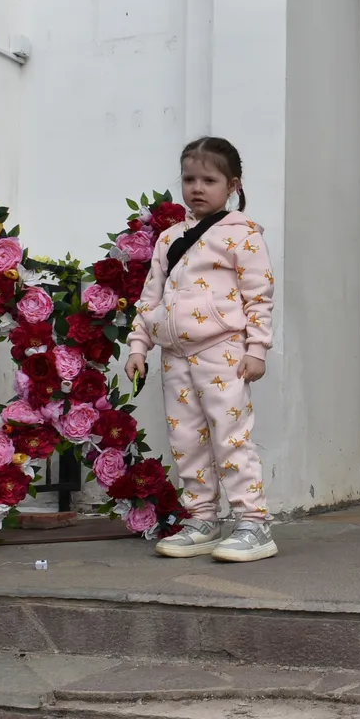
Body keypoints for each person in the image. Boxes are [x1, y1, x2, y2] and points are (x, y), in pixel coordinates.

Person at [125, 137, 278, 562]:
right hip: (174, 355)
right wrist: (139, 344)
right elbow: (149, 297)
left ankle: (253, 523)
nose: (197, 188)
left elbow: (259, 296)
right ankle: (202, 518)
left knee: (230, 436)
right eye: (190, 178)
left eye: (209, 180)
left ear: (232, 184)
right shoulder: (168, 238)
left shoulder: (241, 234)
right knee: (186, 439)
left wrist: (257, 348)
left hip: (223, 350)